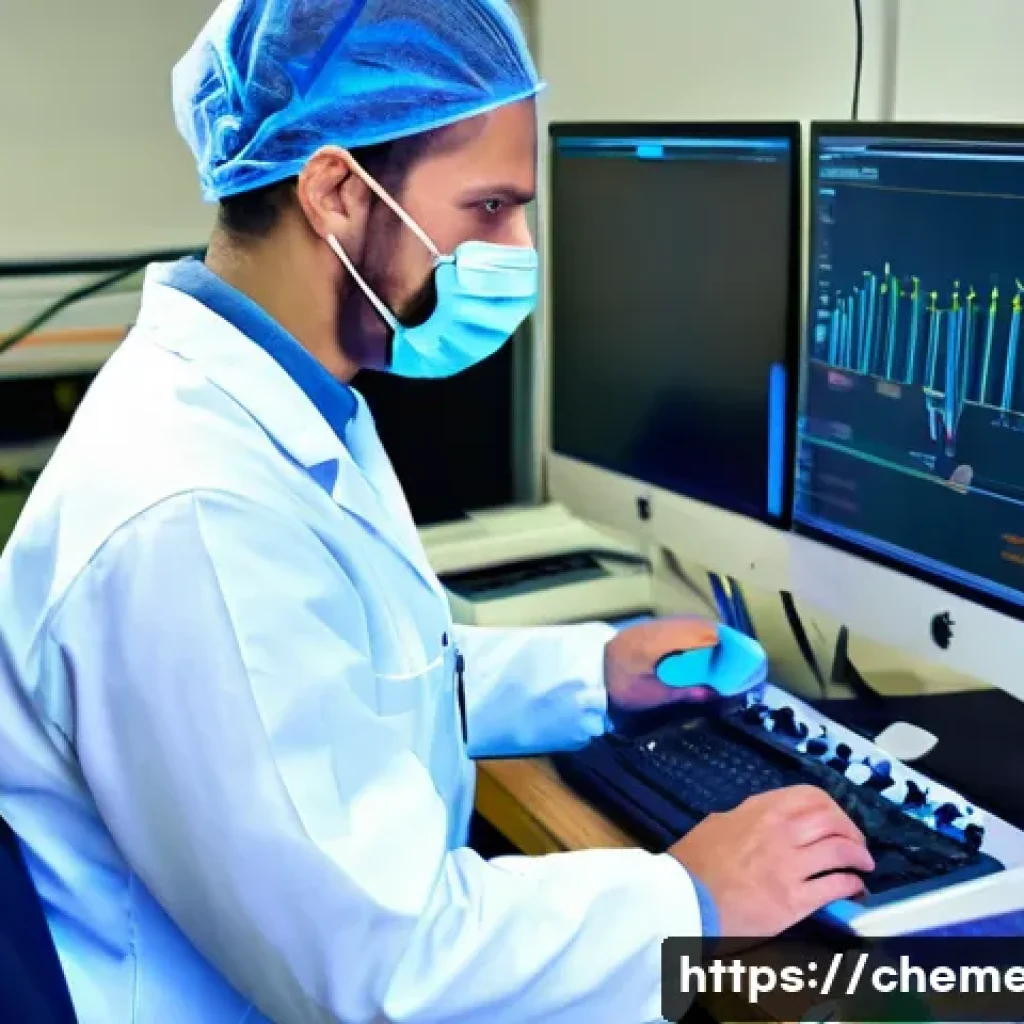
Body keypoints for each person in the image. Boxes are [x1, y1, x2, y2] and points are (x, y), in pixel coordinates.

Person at [0, 1, 873, 1021]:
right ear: (334, 189)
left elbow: (344, 677)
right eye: (490, 207)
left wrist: (589, 672)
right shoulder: (194, 515)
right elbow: (382, 972)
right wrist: (687, 895)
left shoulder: (280, 401)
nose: (518, 250)